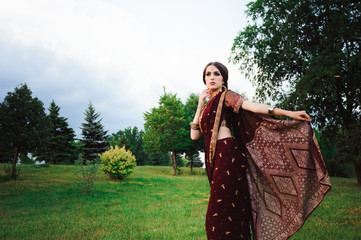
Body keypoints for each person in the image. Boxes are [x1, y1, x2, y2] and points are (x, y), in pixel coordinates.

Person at [190, 62, 331, 240]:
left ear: (224, 78)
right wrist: (200, 104)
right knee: (228, 212)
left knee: (217, 216)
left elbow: (252, 106)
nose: (211, 77)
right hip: (216, 159)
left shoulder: (227, 96)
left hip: (228, 155)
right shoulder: (206, 106)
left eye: (216, 74)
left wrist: (289, 113)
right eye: (208, 74)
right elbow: (194, 135)